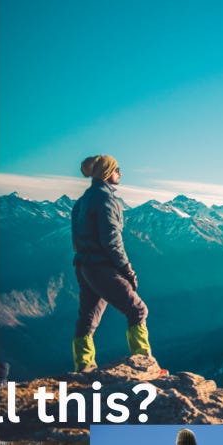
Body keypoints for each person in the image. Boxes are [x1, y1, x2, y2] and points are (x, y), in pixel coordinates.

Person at [70, 154, 155, 372]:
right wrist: (127, 270)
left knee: (88, 318)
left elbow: (77, 237)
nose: (121, 173)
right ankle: (143, 362)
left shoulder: (82, 201)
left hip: (83, 266)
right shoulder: (107, 201)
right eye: (117, 169)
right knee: (137, 310)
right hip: (102, 267)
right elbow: (112, 241)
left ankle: (84, 365)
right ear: (107, 172)